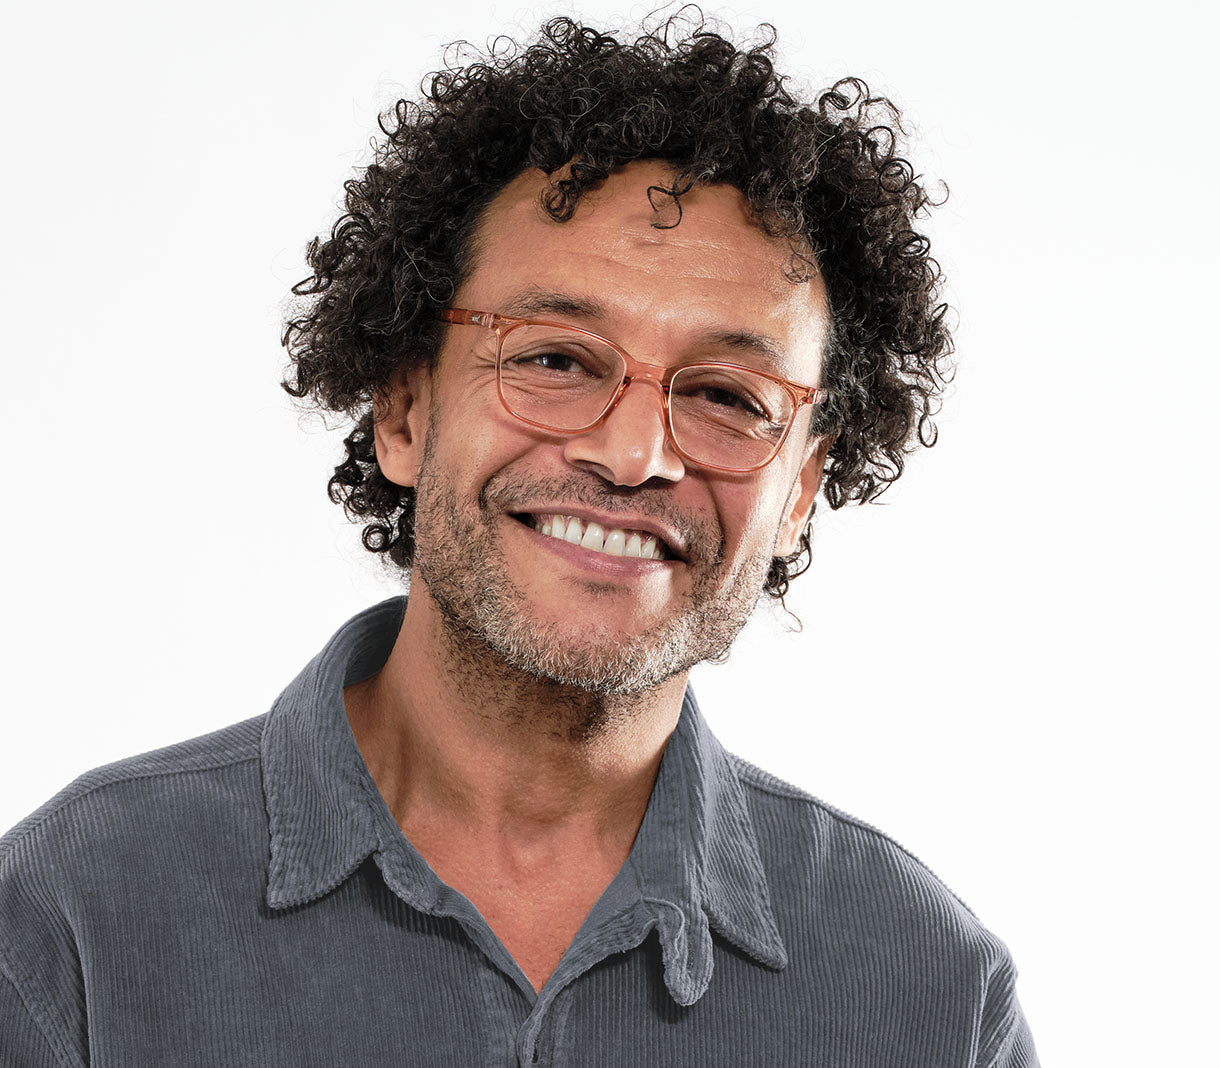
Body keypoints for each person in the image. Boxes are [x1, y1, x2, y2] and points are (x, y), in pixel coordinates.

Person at [0, 13, 1038, 1067]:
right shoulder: (70, 925)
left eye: (727, 394)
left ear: (801, 488)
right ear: (402, 409)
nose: (636, 455)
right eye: (553, 360)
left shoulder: (931, 997)